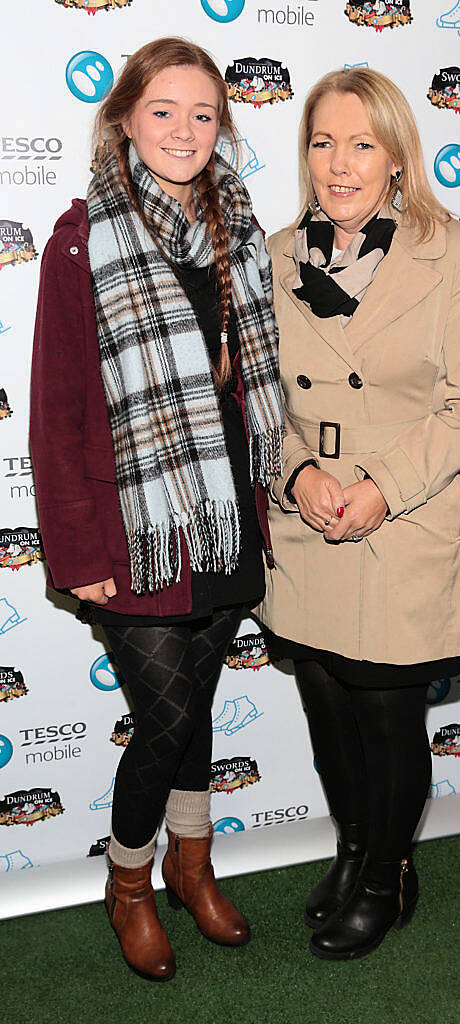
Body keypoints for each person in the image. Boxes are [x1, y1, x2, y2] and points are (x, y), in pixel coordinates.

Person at [30, 37, 283, 982]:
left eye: (204, 114)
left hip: (223, 514)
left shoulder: (240, 231)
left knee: (199, 706)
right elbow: (56, 412)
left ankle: (193, 863)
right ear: (125, 117)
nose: (184, 130)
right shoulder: (82, 238)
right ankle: (129, 884)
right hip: (134, 529)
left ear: (222, 128)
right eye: (164, 110)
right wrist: (77, 545)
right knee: (167, 717)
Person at [256, 67, 460, 961]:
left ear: (397, 155)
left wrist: (380, 488)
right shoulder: (275, 255)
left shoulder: (453, 251)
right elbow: (255, 406)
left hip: (403, 514)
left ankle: (385, 874)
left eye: (361, 143)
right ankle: (356, 845)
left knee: (387, 711)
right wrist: (297, 476)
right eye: (322, 141)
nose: (339, 162)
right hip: (308, 515)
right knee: (325, 696)